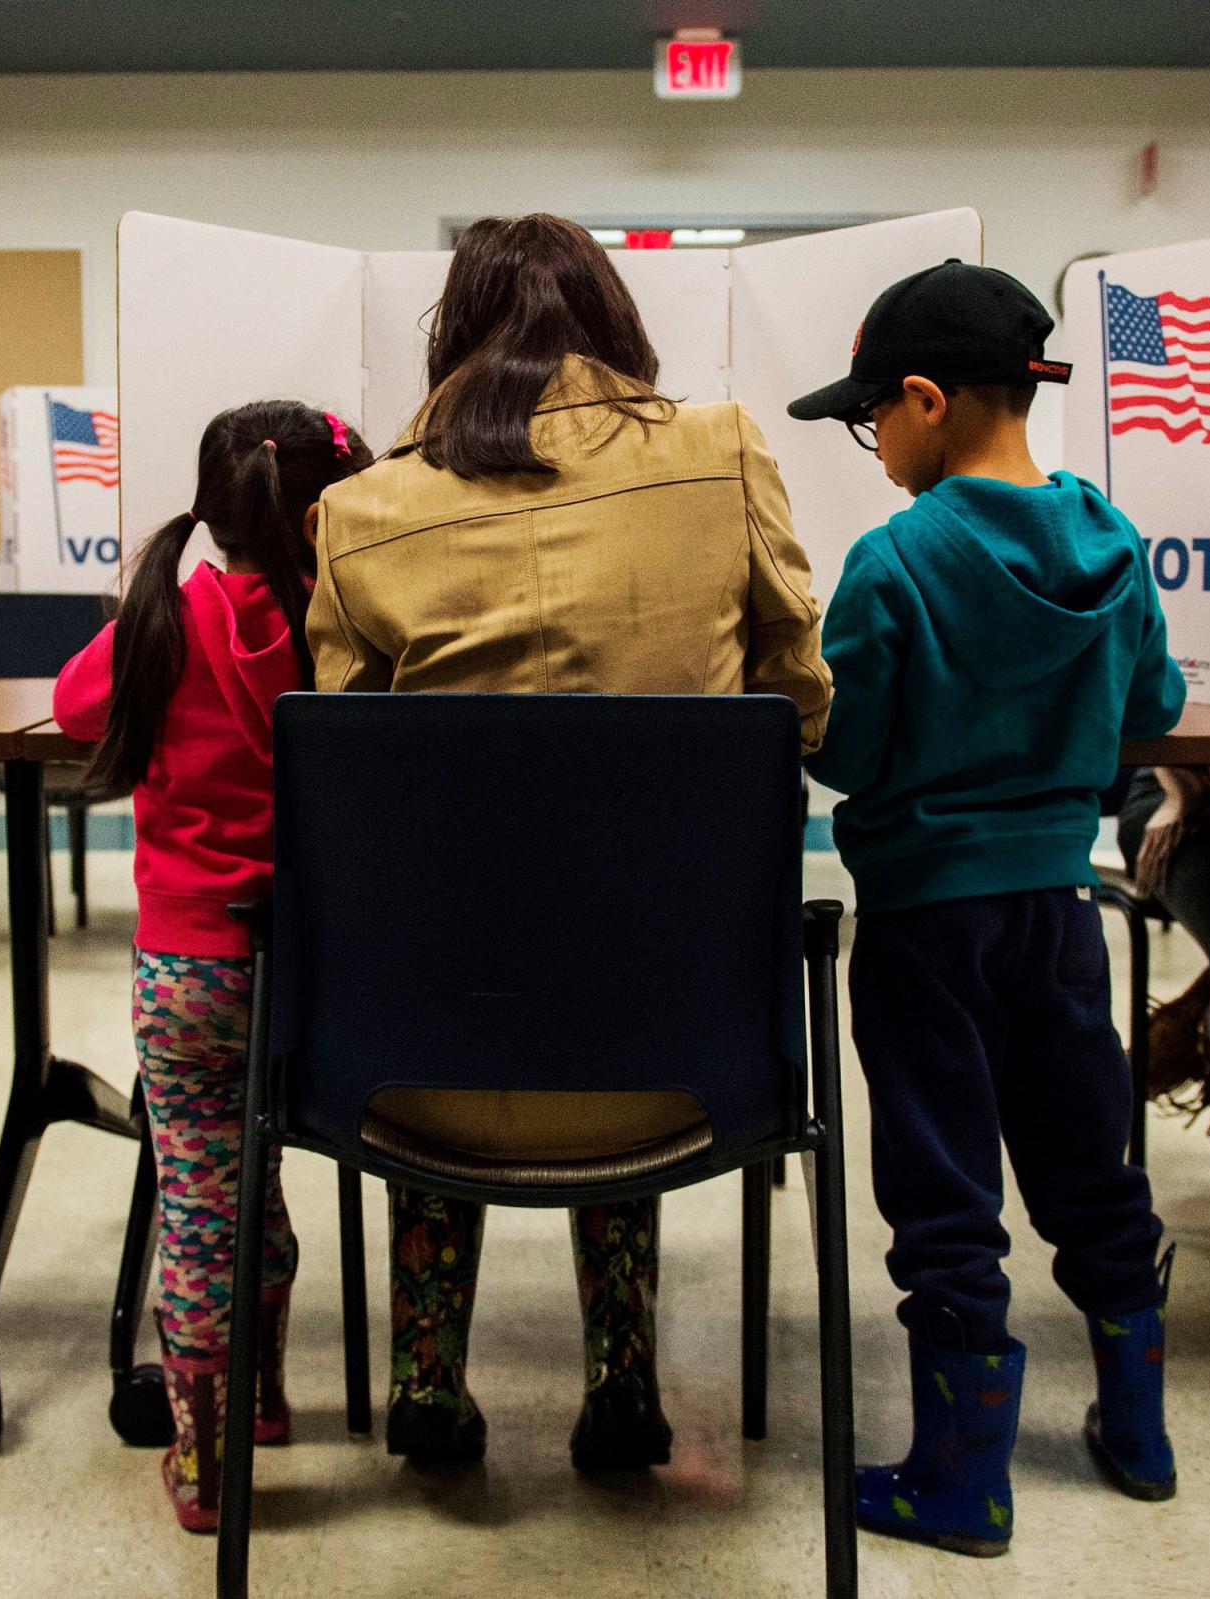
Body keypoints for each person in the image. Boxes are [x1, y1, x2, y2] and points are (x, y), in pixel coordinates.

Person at [306, 213, 831, 1473]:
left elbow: (335, 777)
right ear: (614, 320)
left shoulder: (360, 509)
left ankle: (427, 1383)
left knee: (461, 932)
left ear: (451, 334)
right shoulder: (722, 453)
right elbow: (799, 702)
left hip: (417, 1068)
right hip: (681, 1058)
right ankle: (622, 1380)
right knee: (627, 923)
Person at [791, 261, 1184, 1556]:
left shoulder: (895, 559)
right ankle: (1137, 1426)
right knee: (1091, 1162)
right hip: (1062, 913)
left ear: (925, 400)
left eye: (872, 419)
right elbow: (1153, 711)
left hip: (923, 928)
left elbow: (845, 751)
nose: (875, 443)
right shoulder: (1113, 539)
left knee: (945, 1185)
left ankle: (965, 1477)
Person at [53, 400, 374, 1534]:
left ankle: (210, 1460)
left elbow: (72, 703)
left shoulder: (168, 615)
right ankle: (270, 1399)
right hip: (312, 978)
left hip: (185, 972)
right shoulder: (333, 627)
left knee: (202, 1201)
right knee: (268, 1182)